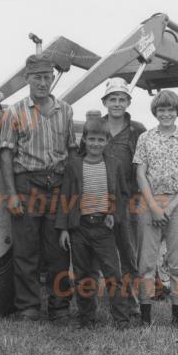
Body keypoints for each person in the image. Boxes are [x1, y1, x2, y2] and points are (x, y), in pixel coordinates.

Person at [0, 54, 78, 322]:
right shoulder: (14, 112)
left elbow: (71, 152)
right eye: (37, 78)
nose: (43, 83)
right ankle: (28, 307)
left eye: (47, 77)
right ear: (27, 79)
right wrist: (11, 195)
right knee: (26, 250)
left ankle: (59, 307)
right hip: (26, 185)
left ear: (52, 78)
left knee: (58, 251)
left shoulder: (65, 110)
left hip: (57, 185)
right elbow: (7, 154)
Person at [79, 77, 146, 317]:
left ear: (128, 102)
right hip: (99, 200)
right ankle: (94, 306)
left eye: (121, 99)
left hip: (128, 200)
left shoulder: (137, 129)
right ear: (105, 102)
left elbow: (143, 164)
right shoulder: (97, 126)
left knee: (128, 253)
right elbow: (82, 156)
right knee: (98, 253)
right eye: (112, 99)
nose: (117, 103)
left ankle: (131, 303)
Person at [133, 90, 178, 326]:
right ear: (155, 112)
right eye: (161, 109)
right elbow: (140, 173)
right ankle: (145, 318)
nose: (166, 114)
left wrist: (170, 208)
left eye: (171, 109)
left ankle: (177, 318)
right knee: (146, 262)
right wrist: (153, 206)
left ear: (177, 111)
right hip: (149, 202)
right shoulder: (145, 138)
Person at [57, 112, 130, 328]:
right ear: (84, 140)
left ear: (107, 141)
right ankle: (86, 319)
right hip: (79, 228)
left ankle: (122, 320)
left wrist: (113, 215)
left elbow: (123, 195)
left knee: (113, 274)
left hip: (103, 228)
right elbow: (66, 197)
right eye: (91, 139)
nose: (96, 144)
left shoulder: (114, 164)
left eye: (100, 140)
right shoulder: (74, 165)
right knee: (83, 274)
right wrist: (63, 229)